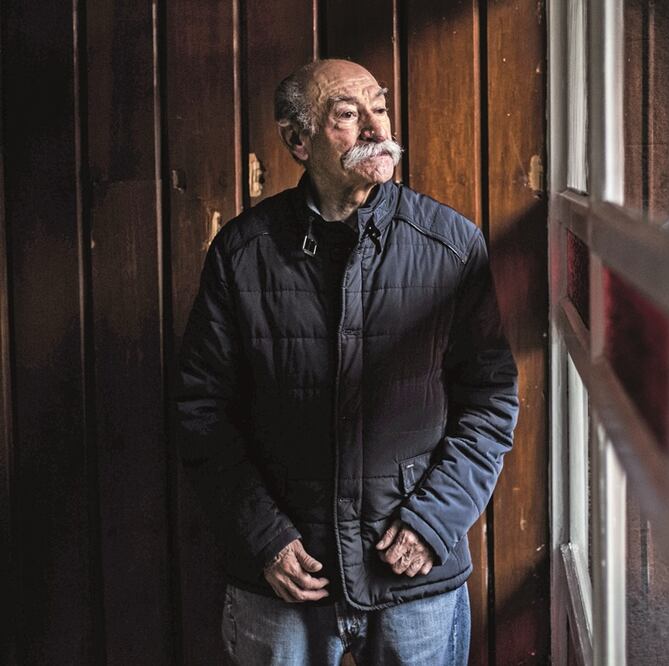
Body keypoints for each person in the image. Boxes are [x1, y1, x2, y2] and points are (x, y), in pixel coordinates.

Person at [175, 59, 518, 665]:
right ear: (298, 141)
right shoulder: (242, 252)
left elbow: (490, 402)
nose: (376, 128)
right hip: (284, 577)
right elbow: (202, 411)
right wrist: (265, 536)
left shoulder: (451, 244)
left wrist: (433, 522)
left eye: (379, 107)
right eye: (347, 114)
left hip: (412, 576)